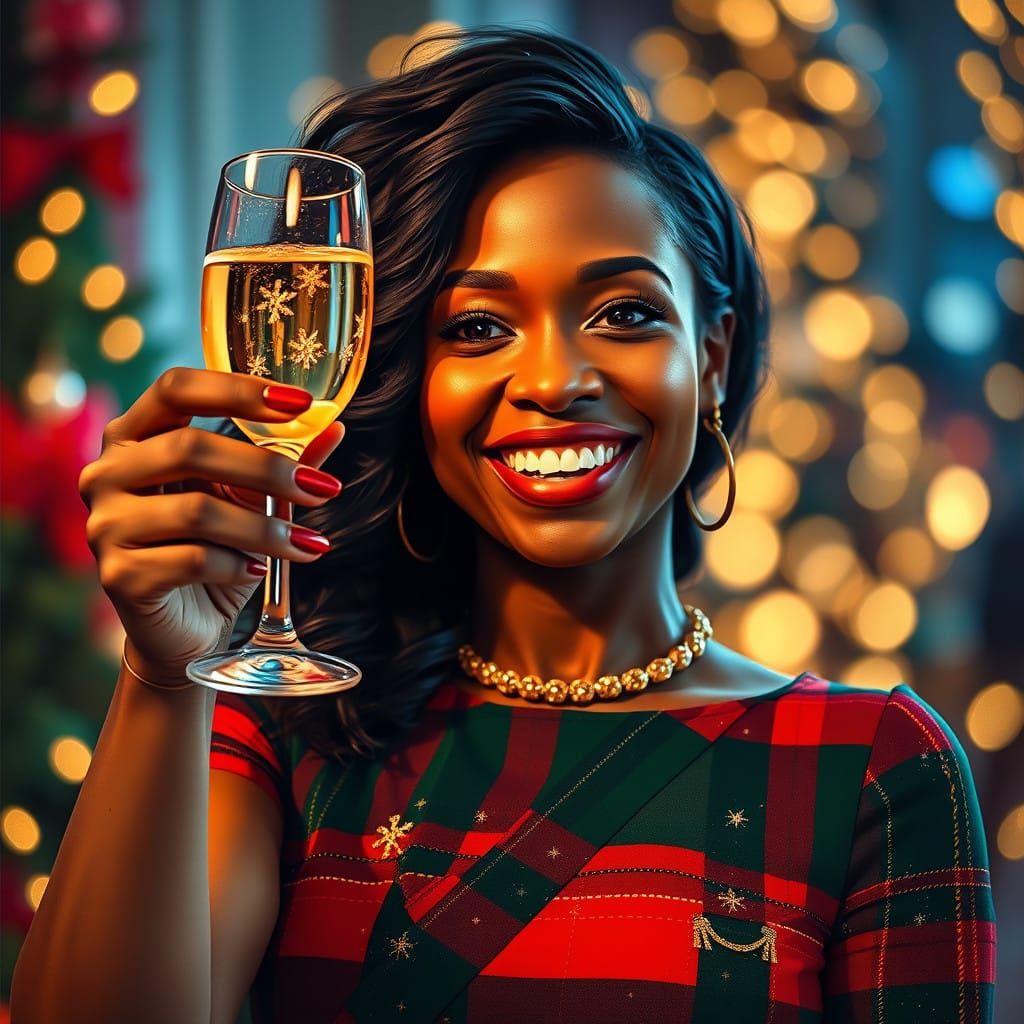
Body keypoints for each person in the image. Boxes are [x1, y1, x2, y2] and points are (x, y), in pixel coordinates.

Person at [11, 24, 995, 1024]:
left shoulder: (871, 763)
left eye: (623, 313)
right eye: (476, 327)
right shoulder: (291, 733)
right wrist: (164, 668)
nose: (554, 381)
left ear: (710, 354)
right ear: (398, 375)